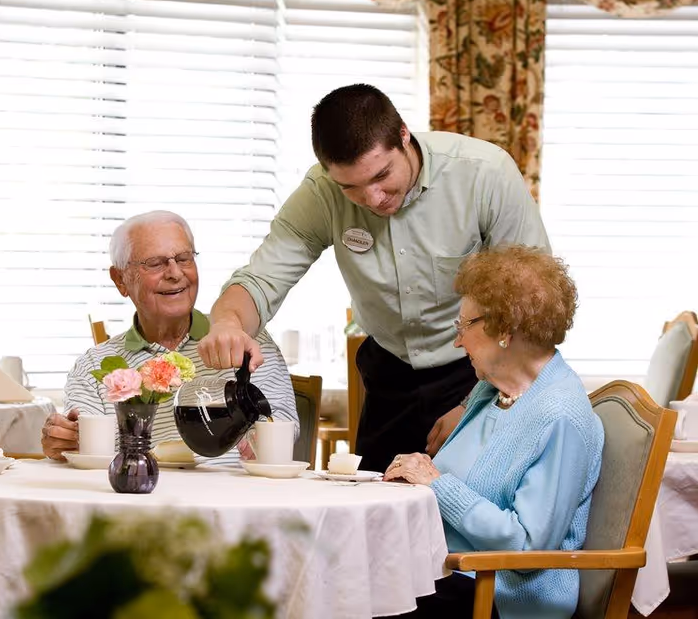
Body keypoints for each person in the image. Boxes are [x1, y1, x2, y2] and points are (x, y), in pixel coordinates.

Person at [197, 84, 550, 471]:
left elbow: (531, 303)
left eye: (382, 175)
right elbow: (260, 280)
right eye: (352, 187)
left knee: (465, 512)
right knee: (374, 512)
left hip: (477, 372)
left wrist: (474, 403)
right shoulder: (322, 192)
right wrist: (228, 322)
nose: (374, 199)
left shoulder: (485, 174)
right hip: (389, 377)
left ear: (403, 134)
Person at [383, 246, 604, 619]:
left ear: (504, 329)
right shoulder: (493, 392)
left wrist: (436, 485)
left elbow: (528, 548)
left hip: (501, 596)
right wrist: (419, 475)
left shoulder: (560, 416)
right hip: (453, 572)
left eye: (463, 326)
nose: (458, 341)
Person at [41, 211, 298, 466]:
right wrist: (64, 438)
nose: (175, 273)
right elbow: (82, 445)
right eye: (155, 263)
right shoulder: (94, 366)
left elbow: (282, 426)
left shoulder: (244, 339)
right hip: (137, 502)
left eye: (184, 258)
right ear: (120, 280)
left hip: (234, 498)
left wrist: (257, 437)